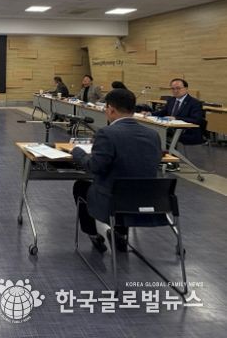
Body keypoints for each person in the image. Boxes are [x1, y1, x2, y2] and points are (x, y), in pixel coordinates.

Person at [71, 89, 161, 253]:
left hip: (114, 202)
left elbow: (95, 167)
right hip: (148, 201)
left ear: (111, 109)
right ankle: (120, 233)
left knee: (80, 186)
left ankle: (93, 234)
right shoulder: (153, 134)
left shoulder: (107, 133)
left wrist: (78, 152)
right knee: (126, 181)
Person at [150, 78, 204, 145]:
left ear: (186, 88)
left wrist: (176, 118)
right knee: (153, 131)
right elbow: (163, 112)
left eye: (178, 88)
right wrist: (150, 114)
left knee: (158, 134)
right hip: (170, 129)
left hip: (187, 131)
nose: (175, 91)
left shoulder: (195, 103)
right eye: (173, 89)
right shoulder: (171, 100)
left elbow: (196, 120)